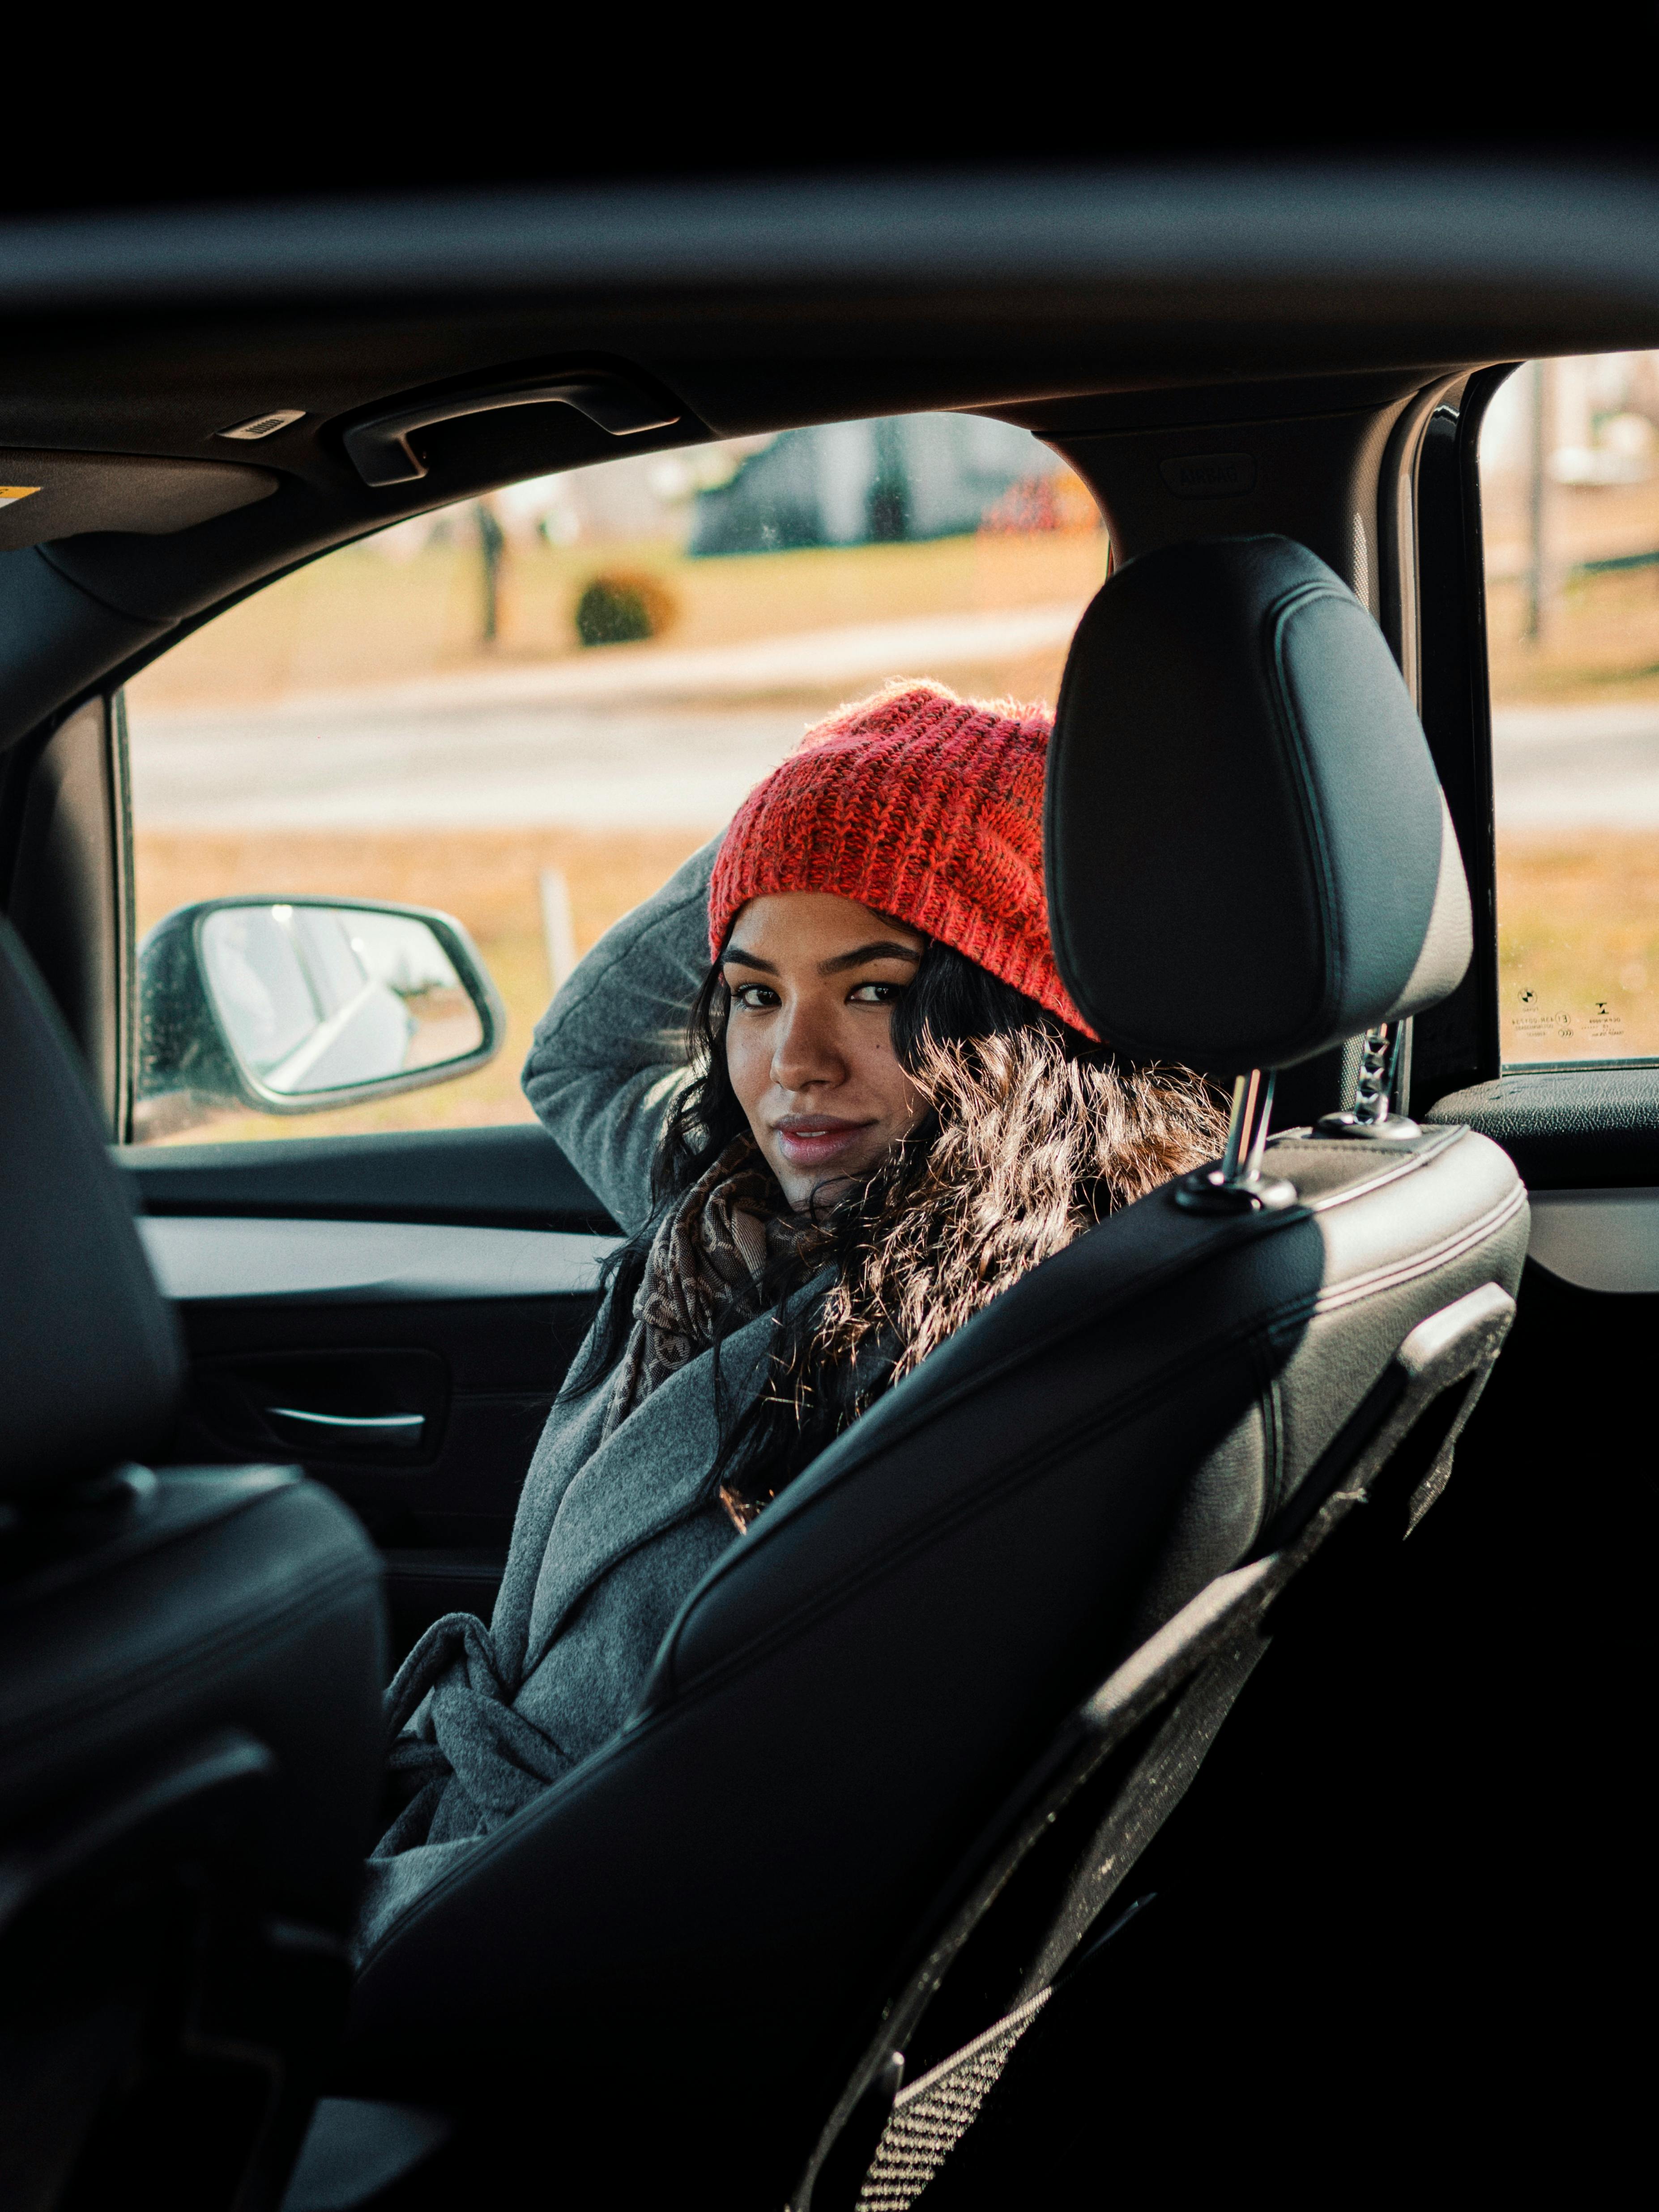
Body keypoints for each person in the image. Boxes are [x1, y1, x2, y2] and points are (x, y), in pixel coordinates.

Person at [355, 681, 1225, 1954]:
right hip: (485, 1843)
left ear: (1011, 1017)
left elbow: (712, 1839)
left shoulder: (989, 1358)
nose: (793, 1063)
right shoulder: (727, 1203)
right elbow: (583, 1053)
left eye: (874, 992)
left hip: (551, 1922)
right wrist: (820, 796)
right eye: (754, 994)